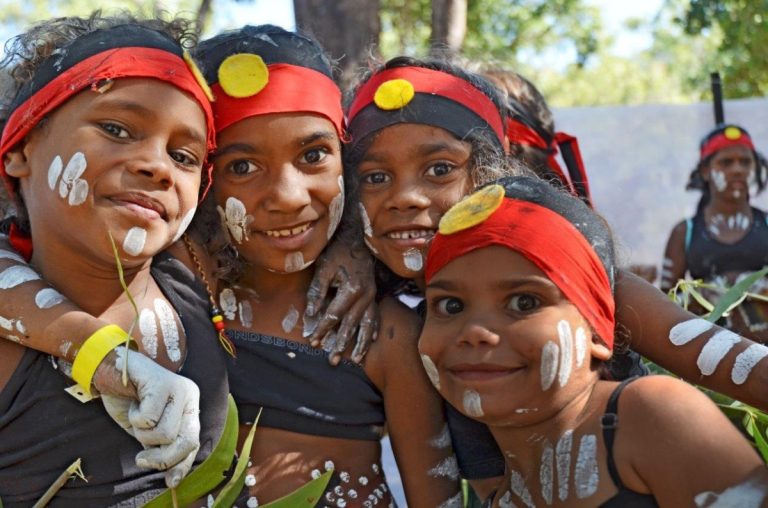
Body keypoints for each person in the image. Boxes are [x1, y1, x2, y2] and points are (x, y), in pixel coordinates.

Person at [343, 56, 768, 499]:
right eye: (375, 177)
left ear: (489, 176)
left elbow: (746, 369)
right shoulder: (394, 320)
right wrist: (347, 254)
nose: (406, 197)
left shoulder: (570, 278)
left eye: (439, 169)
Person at [183, 25, 457, 506]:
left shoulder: (386, 334)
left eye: (313, 155)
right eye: (242, 167)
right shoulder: (165, 297)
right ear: (204, 179)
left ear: (345, 164)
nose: (289, 198)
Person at [419, 175, 768, 507]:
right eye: (450, 306)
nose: (475, 331)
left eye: (524, 302)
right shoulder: (505, 497)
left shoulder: (650, 417)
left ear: (598, 332)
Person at [0, 13, 233, 505]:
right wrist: (97, 354)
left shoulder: (195, 275)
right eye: (116, 129)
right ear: (19, 149)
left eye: (185, 157)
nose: (158, 166)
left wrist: (353, 260)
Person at [661, 123, 768, 343]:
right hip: (709, 350)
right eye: (726, 162)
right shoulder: (685, 232)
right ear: (705, 171)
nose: (737, 170)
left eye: (745, 162)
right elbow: (664, 303)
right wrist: (702, 298)